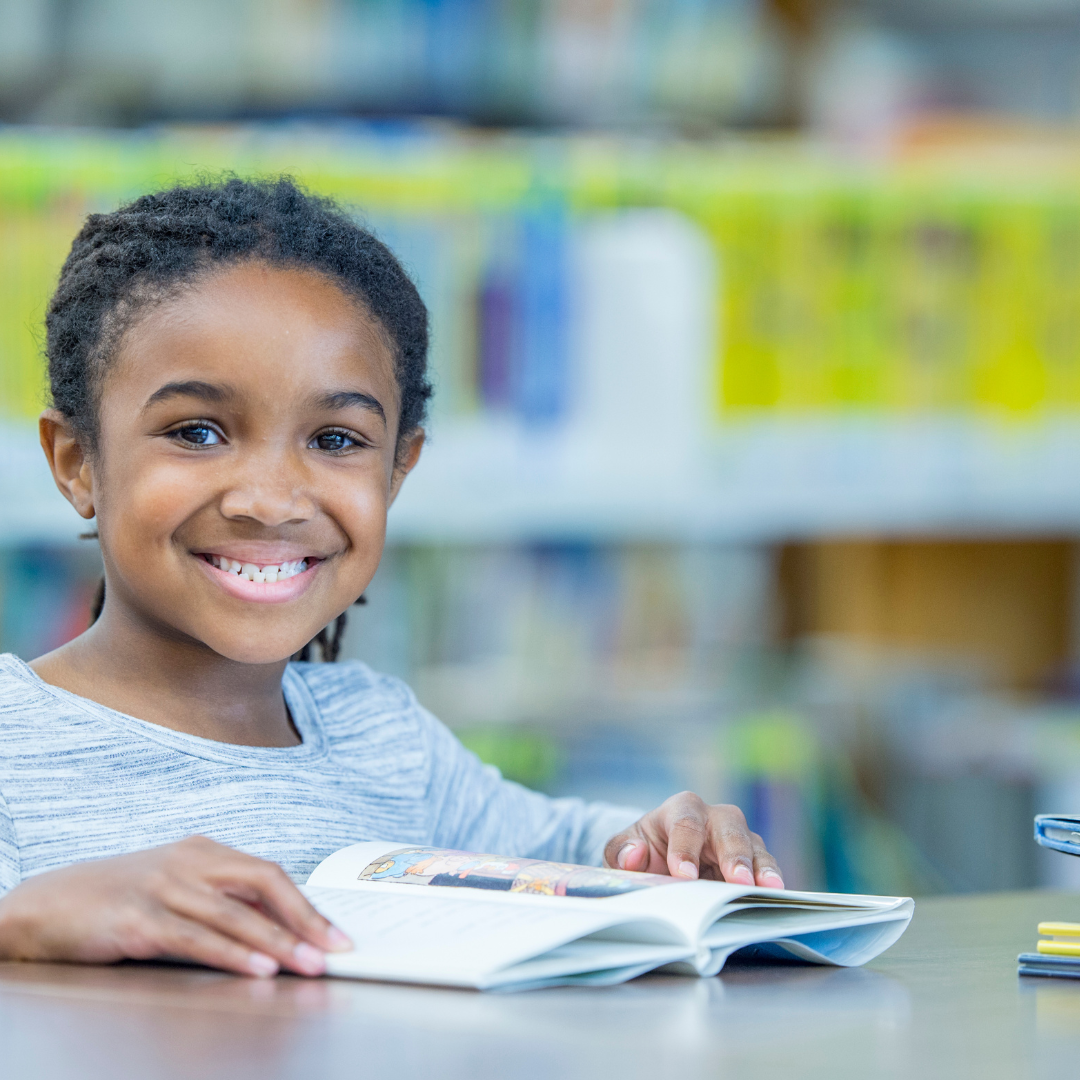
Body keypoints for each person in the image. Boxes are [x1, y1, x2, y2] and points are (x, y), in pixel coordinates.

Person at [0, 178, 783, 980]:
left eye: (336, 439)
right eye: (197, 432)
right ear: (77, 463)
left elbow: (578, 852)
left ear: (397, 471)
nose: (270, 501)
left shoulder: (386, 744)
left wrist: (665, 846)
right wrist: (22, 917)